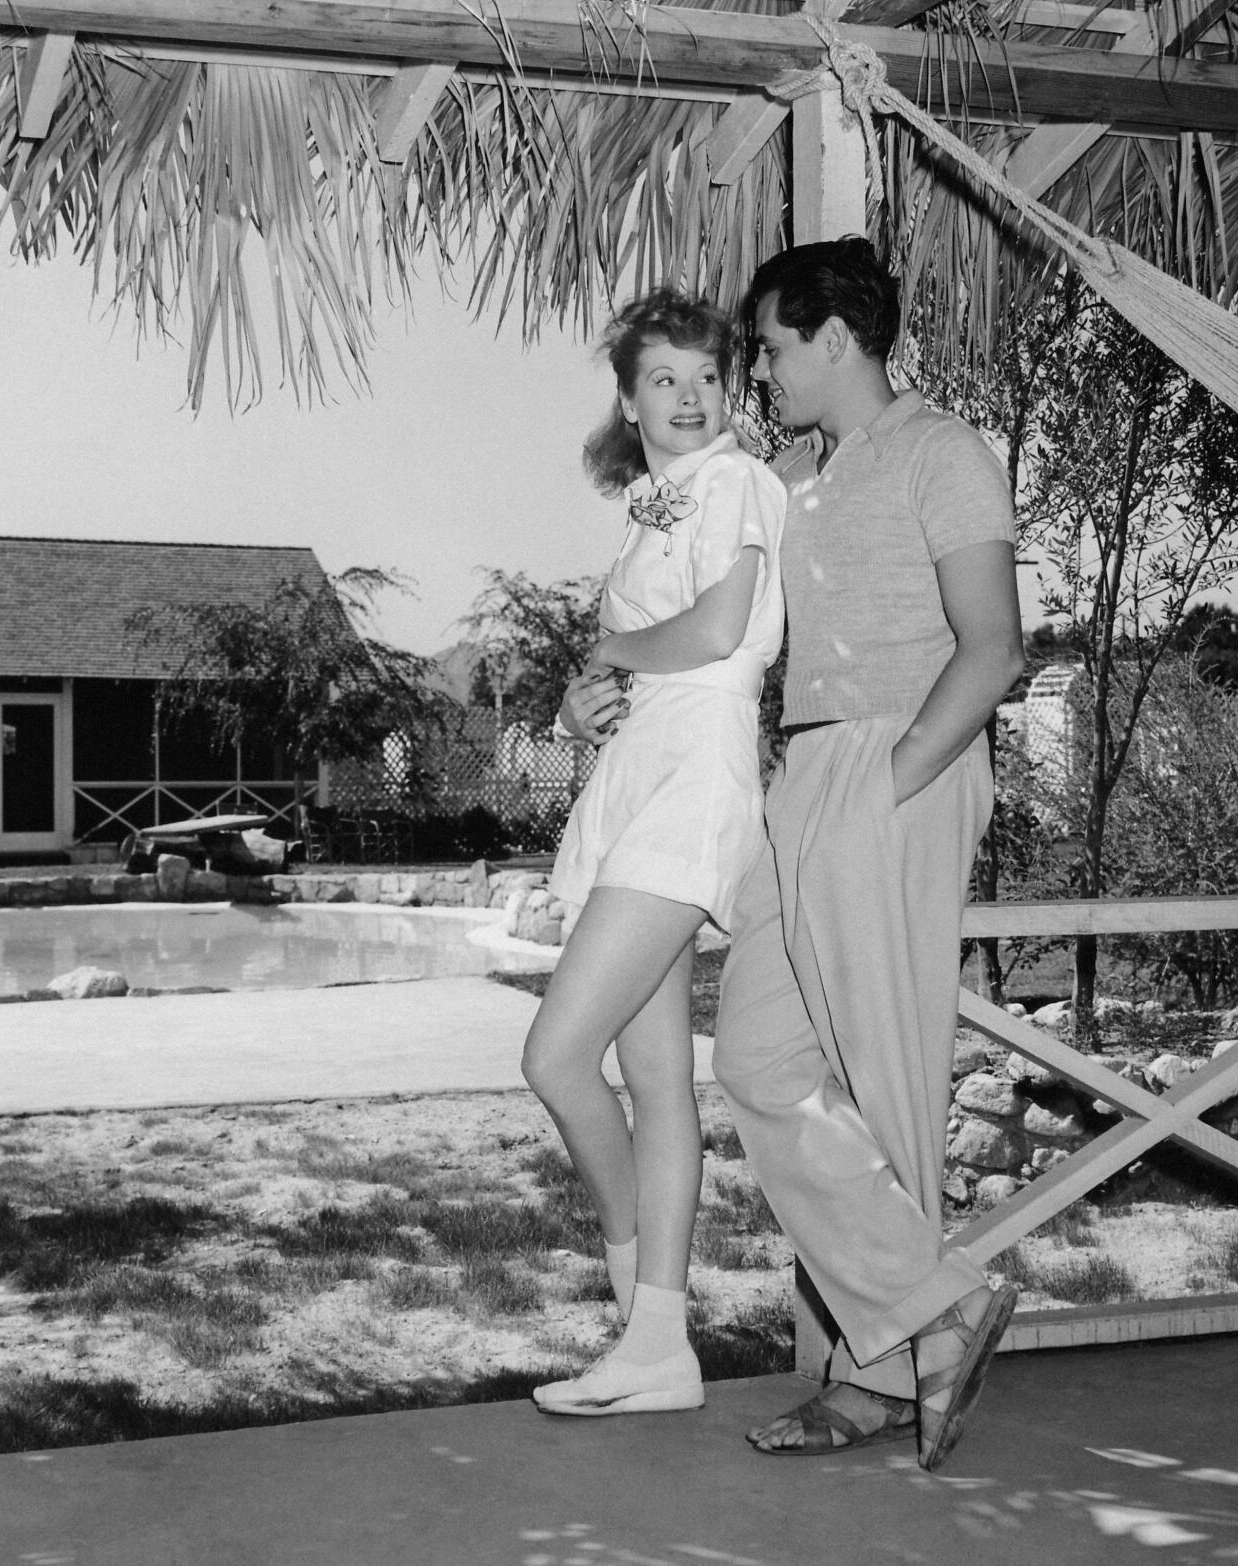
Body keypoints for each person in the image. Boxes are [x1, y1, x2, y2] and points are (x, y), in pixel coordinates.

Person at [713, 238, 1025, 1468]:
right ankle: (933, 1307)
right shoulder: (800, 473)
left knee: (884, 1073)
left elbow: (992, 648)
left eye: (775, 345)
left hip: (898, 761)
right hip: (807, 768)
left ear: (834, 337)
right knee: (757, 1057)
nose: (763, 368)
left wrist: (890, 788)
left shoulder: (943, 453)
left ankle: (870, 1380)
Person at [523, 289, 787, 1417]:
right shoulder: (655, 504)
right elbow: (637, 660)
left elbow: (717, 634)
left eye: (707, 379)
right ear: (629, 402)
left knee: (554, 1057)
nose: (688, 399)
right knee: (650, 1081)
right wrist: (581, 706)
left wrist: (610, 647)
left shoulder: (735, 482)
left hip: (691, 785)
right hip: (642, 777)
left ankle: (643, 1304)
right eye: (664, 382)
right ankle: (658, 1351)